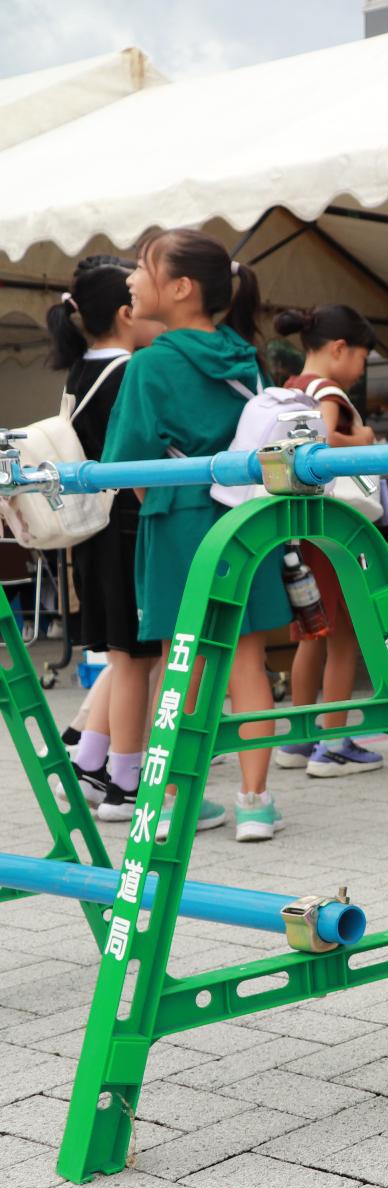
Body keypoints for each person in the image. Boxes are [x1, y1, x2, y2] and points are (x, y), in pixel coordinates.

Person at [102, 229, 291, 842]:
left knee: (182, 662)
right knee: (249, 658)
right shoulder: (245, 357)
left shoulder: (151, 363)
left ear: (180, 288)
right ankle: (256, 803)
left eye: (141, 267)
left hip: (180, 519)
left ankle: (177, 803)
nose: (131, 278)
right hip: (246, 517)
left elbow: (126, 464)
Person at [48, 256, 163, 821]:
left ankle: (93, 765)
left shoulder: (80, 370)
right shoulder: (126, 372)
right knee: (137, 657)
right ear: (125, 312)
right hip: (127, 530)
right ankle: (124, 783)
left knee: (122, 658)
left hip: (93, 530)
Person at [267, 305, 387, 780]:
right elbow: (326, 444)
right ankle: (334, 743)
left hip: (298, 527)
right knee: (342, 639)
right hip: (330, 530)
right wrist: (367, 439)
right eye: (362, 358)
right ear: (339, 349)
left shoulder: (291, 387)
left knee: (309, 636)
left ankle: (300, 737)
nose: (361, 370)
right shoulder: (328, 391)